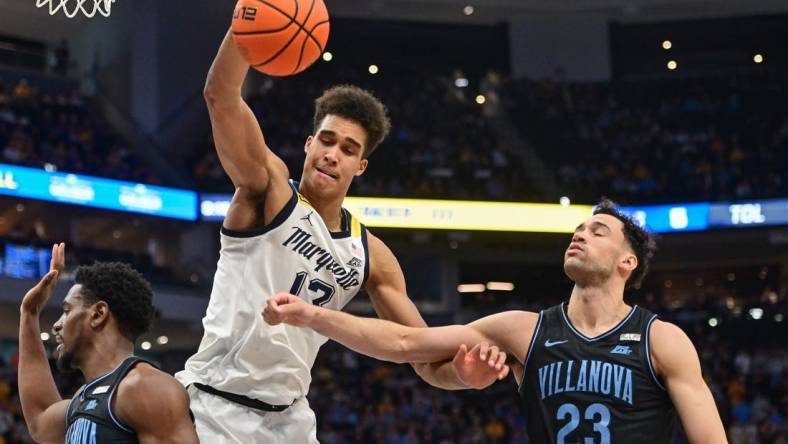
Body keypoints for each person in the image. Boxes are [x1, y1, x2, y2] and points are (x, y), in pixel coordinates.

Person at [174, 29, 503, 443]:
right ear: (309, 145)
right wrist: (247, 23)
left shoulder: (371, 254)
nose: (332, 154)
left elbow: (418, 353)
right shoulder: (268, 190)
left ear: (360, 167)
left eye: (348, 149)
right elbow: (220, 95)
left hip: (290, 421)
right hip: (215, 403)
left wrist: (462, 375)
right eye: (326, 141)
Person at [264, 199, 729, 443]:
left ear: (628, 263)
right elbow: (408, 343)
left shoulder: (661, 340)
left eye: (597, 231)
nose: (580, 234)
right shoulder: (522, 330)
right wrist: (314, 315)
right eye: (579, 229)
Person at [18, 243, 198, 443]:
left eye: (67, 311)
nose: (57, 325)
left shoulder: (147, 387)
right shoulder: (84, 397)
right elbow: (40, 419)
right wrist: (29, 313)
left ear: (98, 314)